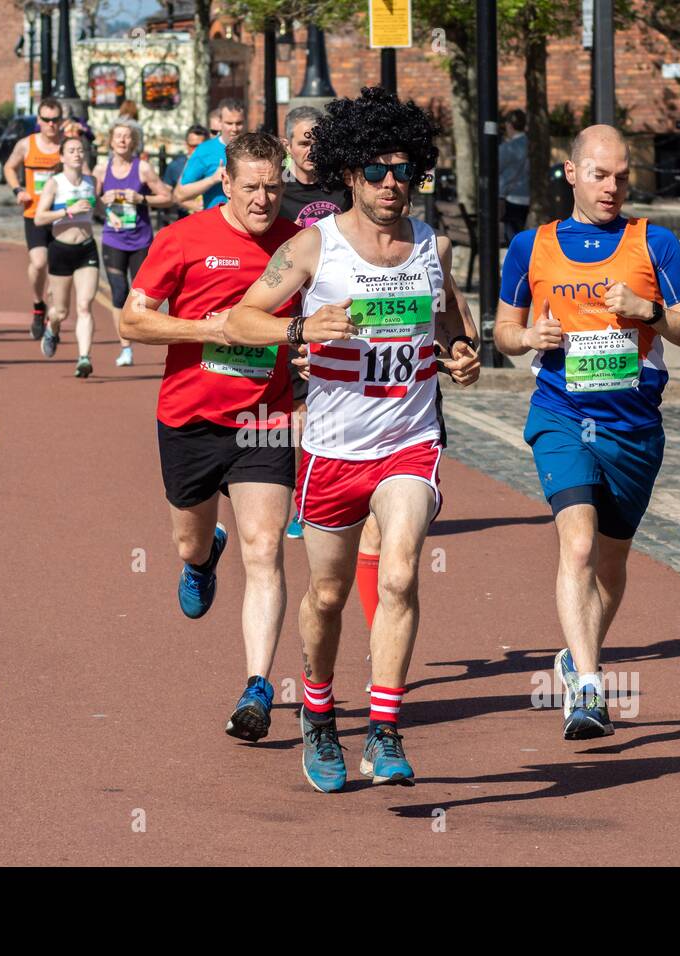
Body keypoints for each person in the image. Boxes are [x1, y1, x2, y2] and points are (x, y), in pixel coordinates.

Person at [227, 88, 481, 791]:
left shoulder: (434, 245)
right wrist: (301, 330)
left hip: (410, 440)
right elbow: (239, 320)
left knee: (398, 571)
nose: (391, 183)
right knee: (328, 595)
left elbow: (455, 329)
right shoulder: (314, 245)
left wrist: (462, 355)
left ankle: (385, 729)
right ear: (348, 173)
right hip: (335, 449)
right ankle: (316, 710)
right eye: (376, 169)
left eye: (404, 170)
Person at [494, 125, 680, 741]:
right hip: (560, 413)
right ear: (571, 172)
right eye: (598, 174)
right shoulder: (531, 246)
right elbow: (503, 333)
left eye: (620, 176)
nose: (611, 187)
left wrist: (650, 314)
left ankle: (577, 653)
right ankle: (588, 687)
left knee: (610, 565)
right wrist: (530, 338)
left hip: (635, 426)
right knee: (578, 546)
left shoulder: (655, 243)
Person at [121, 131, 302, 744]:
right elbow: (132, 318)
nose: (262, 199)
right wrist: (206, 329)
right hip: (191, 419)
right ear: (225, 184)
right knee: (187, 542)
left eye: (273, 187)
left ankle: (257, 686)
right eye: (250, 187)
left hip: (264, 418)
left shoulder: (299, 244)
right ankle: (203, 557)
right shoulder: (183, 240)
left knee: (265, 546)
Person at [276, 105, 354, 539]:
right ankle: (305, 502)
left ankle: (347, 495)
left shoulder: (344, 189)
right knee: (302, 410)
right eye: (304, 140)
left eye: (319, 141)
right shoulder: (278, 196)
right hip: (294, 319)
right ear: (288, 145)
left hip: (342, 314)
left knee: (342, 404)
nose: (312, 149)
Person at [96, 120, 170, 368]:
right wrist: (101, 200)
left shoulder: (143, 169)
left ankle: (145, 334)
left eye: (127, 136)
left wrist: (140, 198)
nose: (122, 140)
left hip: (140, 240)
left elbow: (167, 196)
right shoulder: (100, 170)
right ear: (111, 140)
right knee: (117, 292)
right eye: (118, 136)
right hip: (113, 239)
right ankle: (125, 346)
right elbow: (90, 203)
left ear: (133, 141)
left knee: (140, 296)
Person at [32, 136, 100, 372]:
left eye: (81, 150)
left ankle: (84, 358)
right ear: (62, 157)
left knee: (84, 305)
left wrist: (109, 210)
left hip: (86, 248)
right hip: (61, 249)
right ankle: (52, 327)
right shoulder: (55, 183)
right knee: (61, 310)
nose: (77, 154)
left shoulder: (91, 181)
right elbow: (39, 218)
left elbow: (98, 207)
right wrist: (67, 211)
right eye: (71, 151)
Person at [3, 97, 64, 340]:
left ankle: (53, 316)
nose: (51, 124)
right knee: (39, 263)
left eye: (55, 120)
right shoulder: (26, 144)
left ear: (61, 120)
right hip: (35, 214)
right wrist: (18, 190)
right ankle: (38, 305)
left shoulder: (68, 145)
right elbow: (8, 167)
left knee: (58, 271)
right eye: (46, 120)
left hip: (62, 216)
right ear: (39, 120)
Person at [174, 99, 245, 210]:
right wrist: (212, 179)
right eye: (229, 123)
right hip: (217, 222)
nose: (234, 129)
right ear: (220, 122)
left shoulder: (253, 147)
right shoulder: (205, 150)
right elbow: (180, 194)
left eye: (239, 123)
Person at [161, 125, 208, 223]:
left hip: (211, 221)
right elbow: (166, 197)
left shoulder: (216, 165)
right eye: (192, 146)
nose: (196, 150)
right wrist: (188, 204)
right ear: (186, 145)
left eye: (200, 146)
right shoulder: (175, 166)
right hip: (185, 221)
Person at [498, 108, 530, 243]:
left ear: (509, 125)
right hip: (529, 196)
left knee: (512, 235)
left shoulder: (507, 147)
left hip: (511, 197)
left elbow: (496, 169)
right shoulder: (533, 145)